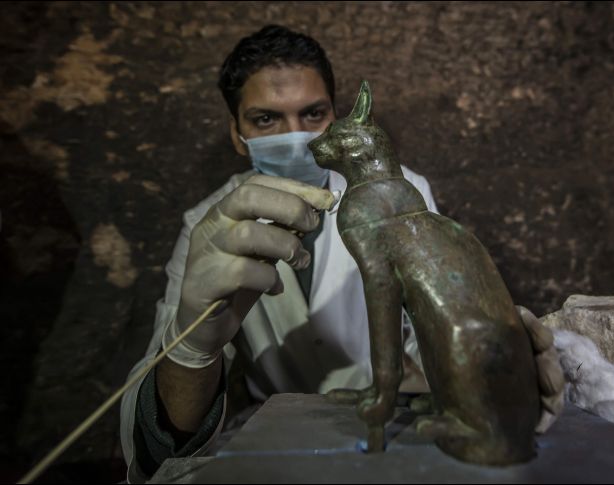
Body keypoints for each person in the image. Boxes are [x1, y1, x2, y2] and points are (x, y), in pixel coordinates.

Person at [119, 25, 565, 483]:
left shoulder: (403, 195)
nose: (299, 137)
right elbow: (154, 444)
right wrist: (193, 347)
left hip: (386, 422)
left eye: (313, 114)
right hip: (280, 436)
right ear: (237, 134)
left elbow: (428, 316)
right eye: (267, 120)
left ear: (336, 115)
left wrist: (499, 351)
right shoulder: (205, 226)